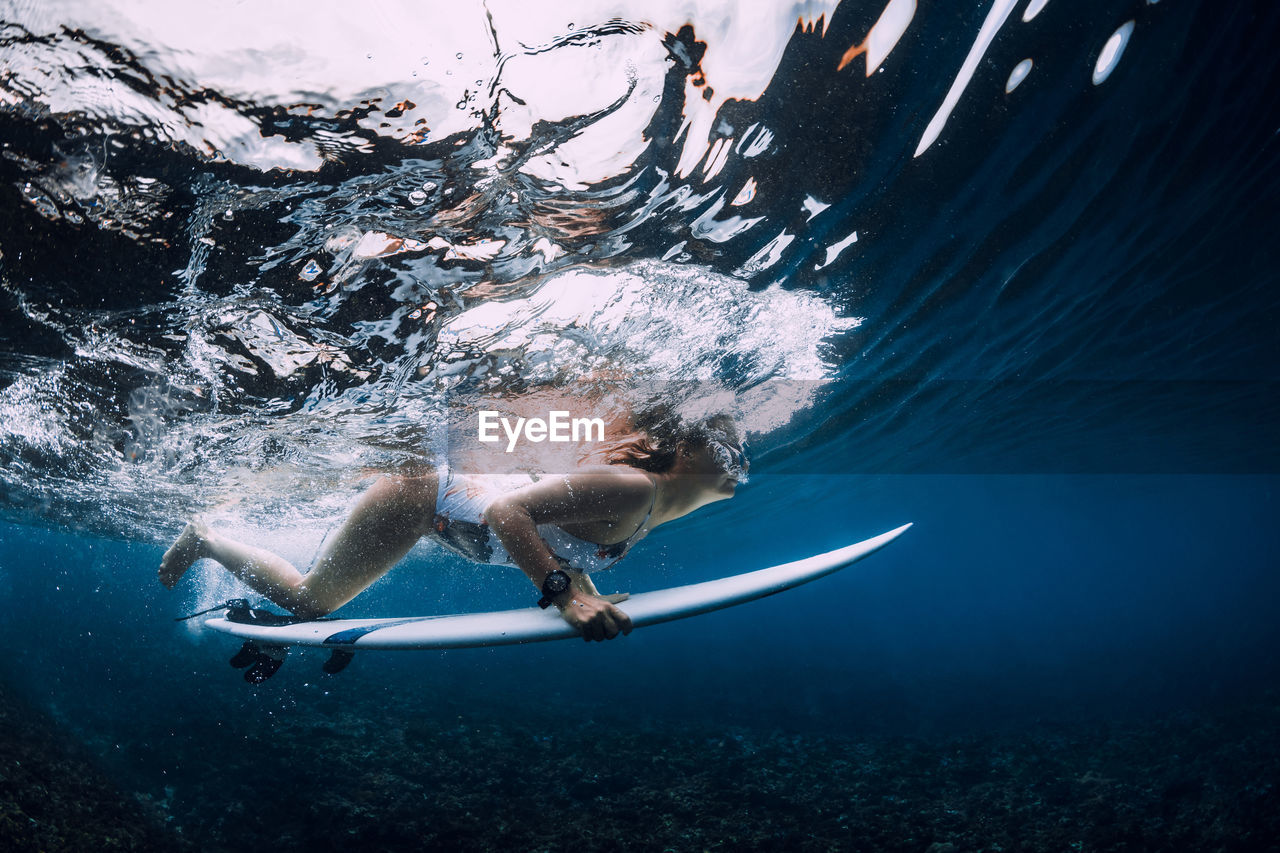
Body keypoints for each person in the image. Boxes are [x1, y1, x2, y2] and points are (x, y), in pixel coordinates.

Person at [158, 414, 748, 644]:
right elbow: (506, 514)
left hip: (447, 507)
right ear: (686, 452)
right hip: (420, 498)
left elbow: (566, 535)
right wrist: (565, 597)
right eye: (727, 444)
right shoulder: (634, 490)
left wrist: (583, 588)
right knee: (310, 601)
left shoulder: (652, 505)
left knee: (314, 599)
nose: (740, 456)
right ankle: (205, 538)